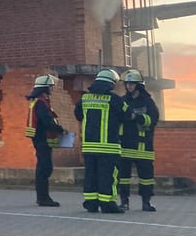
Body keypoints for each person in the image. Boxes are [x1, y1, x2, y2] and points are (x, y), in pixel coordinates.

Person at [74, 68, 127, 214]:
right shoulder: (115, 99)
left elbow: (78, 116)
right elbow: (127, 115)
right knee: (108, 176)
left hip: (89, 147)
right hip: (109, 147)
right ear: (111, 84)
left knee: (90, 175)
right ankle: (108, 204)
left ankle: (91, 203)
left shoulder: (84, 99)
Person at [118, 69, 160, 212]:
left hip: (143, 146)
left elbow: (153, 119)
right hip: (126, 145)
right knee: (123, 177)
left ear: (139, 85)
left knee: (146, 177)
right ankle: (124, 202)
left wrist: (137, 117)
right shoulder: (123, 101)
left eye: (132, 84)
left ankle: (146, 202)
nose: (129, 86)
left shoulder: (147, 102)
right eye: (127, 83)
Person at [25, 74, 65, 207]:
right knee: (45, 168)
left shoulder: (38, 101)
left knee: (43, 167)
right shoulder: (41, 103)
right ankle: (43, 198)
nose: (51, 90)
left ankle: (43, 197)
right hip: (42, 138)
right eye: (50, 87)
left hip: (40, 138)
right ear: (44, 88)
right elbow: (47, 121)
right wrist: (60, 130)